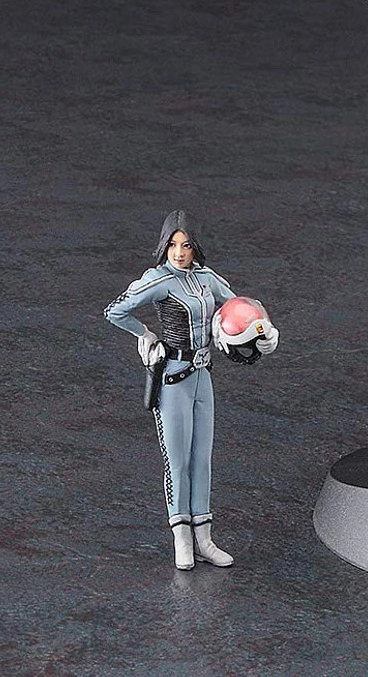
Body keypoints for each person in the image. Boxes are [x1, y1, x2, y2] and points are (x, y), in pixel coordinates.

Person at [104, 210, 279, 570]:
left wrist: (263, 332)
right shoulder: (159, 280)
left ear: (195, 246)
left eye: (185, 245)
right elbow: (115, 310)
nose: (179, 252)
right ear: (164, 246)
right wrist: (145, 335)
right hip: (173, 377)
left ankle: (205, 538)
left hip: (203, 376)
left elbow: (239, 308)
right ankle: (181, 538)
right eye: (173, 245)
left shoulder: (206, 278)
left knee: (202, 460)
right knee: (178, 461)